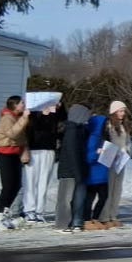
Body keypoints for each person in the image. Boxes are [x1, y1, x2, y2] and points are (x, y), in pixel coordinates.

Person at [23, 99, 63, 223]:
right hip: (33, 149)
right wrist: (40, 114)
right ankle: (29, 210)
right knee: (30, 181)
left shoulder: (54, 113)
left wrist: (59, 108)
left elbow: (62, 122)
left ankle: (39, 211)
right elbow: (29, 128)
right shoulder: (32, 112)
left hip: (49, 149)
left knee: (44, 181)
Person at [53, 104, 91, 233]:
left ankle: (75, 222)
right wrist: (77, 172)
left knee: (75, 197)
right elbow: (72, 153)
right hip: (69, 170)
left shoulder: (80, 130)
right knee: (65, 198)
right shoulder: (71, 131)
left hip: (78, 169)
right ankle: (62, 224)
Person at [0, 95, 30, 226]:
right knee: (8, 185)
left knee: (16, 185)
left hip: (15, 155)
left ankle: (6, 210)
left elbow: (22, 138)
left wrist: (24, 151)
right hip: (5, 155)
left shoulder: (17, 118)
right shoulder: (7, 118)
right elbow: (13, 134)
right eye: (21, 103)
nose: (24, 105)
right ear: (14, 105)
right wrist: (24, 118)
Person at [99, 100, 132, 226]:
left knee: (117, 188)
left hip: (121, 160)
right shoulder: (108, 125)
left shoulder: (124, 126)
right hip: (110, 159)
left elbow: (127, 142)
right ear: (114, 112)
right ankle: (105, 215)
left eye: (123, 111)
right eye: (120, 111)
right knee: (108, 187)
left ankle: (113, 214)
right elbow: (105, 142)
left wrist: (126, 150)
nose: (123, 113)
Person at [82, 105, 112, 226]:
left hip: (102, 172)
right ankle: (87, 219)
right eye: (106, 124)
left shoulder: (103, 138)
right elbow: (89, 157)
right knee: (90, 198)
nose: (108, 126)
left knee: (104, 196)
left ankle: (95, 218)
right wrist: (98, 153)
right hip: (93, 173)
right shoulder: (93, 138)